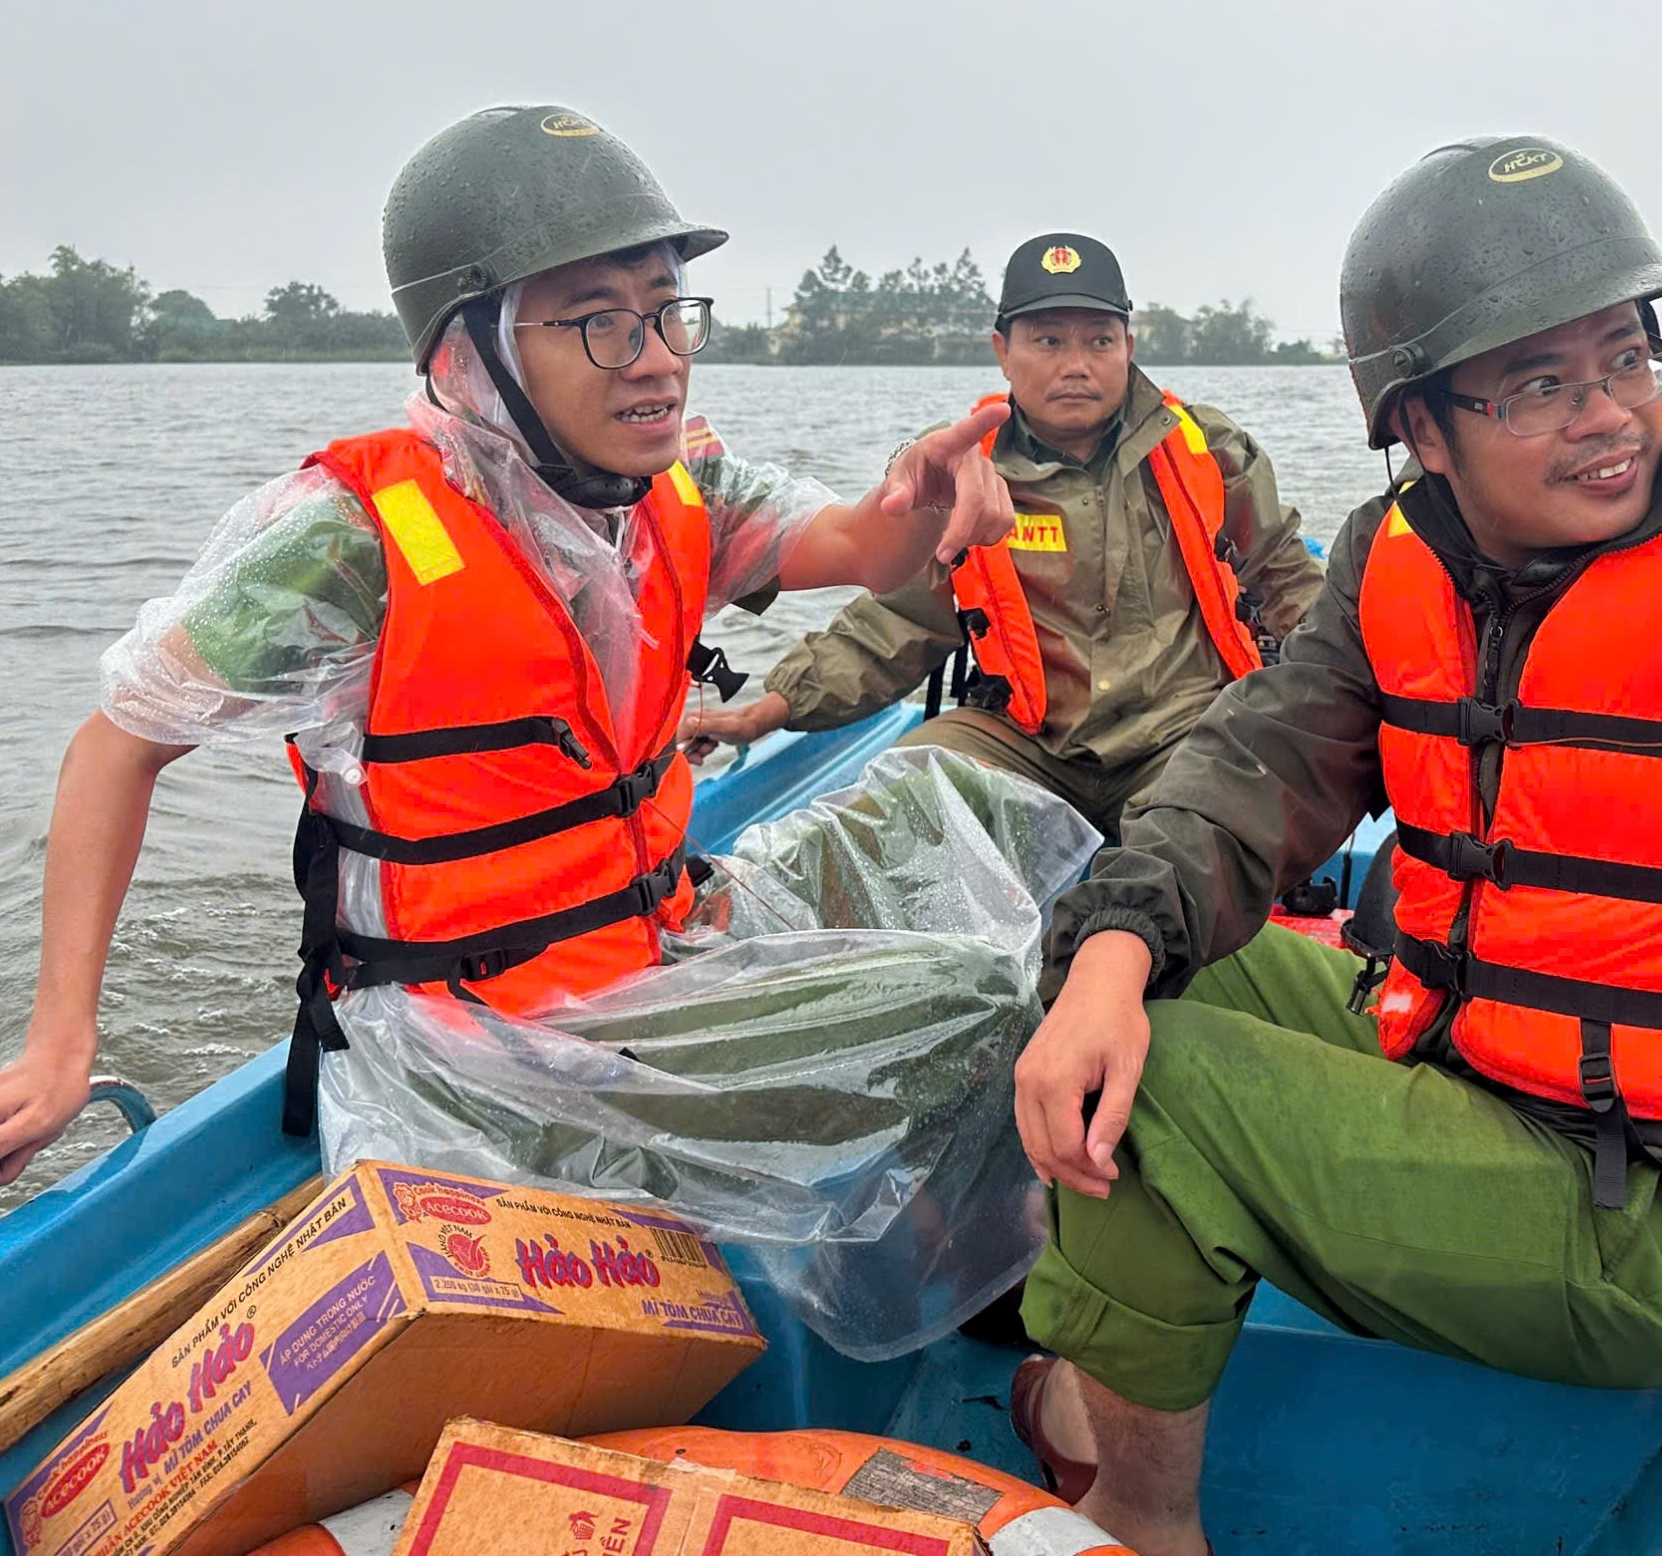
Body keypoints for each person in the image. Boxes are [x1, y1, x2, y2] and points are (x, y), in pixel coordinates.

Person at [1004, 136, 1662, 1556]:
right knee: (1129, 983)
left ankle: (1141, 1523)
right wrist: (1106, 950)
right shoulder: (1394, 554)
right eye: (1538, 383)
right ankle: (1116, 1365)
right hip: (1486, 1069)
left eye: (1626, 356)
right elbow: (1251, 768)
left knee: (1153, 1094)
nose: (1608, 416)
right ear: (1420, 426)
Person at [0, 103, 1016, 1184]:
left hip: (645, 942)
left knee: (948, 809)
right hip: (481, 1042)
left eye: (671, 313)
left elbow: (863, 547)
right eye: (600, 323)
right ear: (469, 350)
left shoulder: (677, 488)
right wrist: (63, 1042)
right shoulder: (353, 537)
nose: (657, 361)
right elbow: (118, 746)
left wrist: (925, 491)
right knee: (977, 1000)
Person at [693, 233, 1323, 839]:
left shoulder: (1207, 449)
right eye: (1048, 340)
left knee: (1205, 829)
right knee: (897, 798)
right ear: (1002, 349)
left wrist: (1365, 701)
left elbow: (1289, 581)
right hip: (1027, 740)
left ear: (1128, 345)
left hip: (1184, 737)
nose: (1075, 365)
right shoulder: (963, 472)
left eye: (1099, 341)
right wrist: (764, 710)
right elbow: (891, 627)